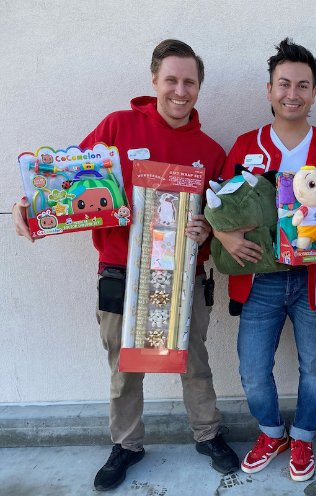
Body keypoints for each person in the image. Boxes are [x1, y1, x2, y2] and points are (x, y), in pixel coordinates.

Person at [12, 39, 240, 492]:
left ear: (199, 87)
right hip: (121, 274)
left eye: (189, 82)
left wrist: (207, 231)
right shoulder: (117, 127)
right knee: (124, 365)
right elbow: (66, 183)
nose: (180, 90)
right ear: (154, 80)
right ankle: (127, 444)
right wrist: (30, 208)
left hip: (184, 279)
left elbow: (221, 219)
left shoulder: (211, 152)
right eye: (171, 80)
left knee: (192, 361)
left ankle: (208, 434)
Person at [213, 38, 316, 482]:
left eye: (303, 85)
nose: (293, 93)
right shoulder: (245, 146)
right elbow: (218, 206)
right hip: (259, 280)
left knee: (314, 368)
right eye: (284, 84)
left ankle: (304, 437)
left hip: (314, 280)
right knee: (253, 371)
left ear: (314, 93)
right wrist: (224, 234)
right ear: (269, 89)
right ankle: (272, 433)